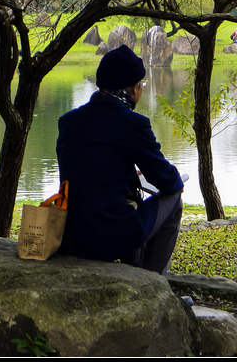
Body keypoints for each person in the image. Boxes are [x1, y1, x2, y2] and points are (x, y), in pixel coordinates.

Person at [56, 45, 184, 274]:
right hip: (109, 237)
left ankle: (137, 271)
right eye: (141, 85)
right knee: (174, 199)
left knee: (127, 206)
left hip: (72, 236)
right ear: (133, 89)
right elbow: (167, 181)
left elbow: (86, 172)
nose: (142, 90)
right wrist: (176, 178)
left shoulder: (69, 121)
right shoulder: (133, 123)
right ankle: (152, 283)